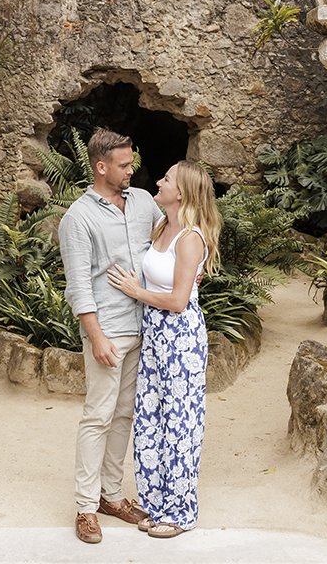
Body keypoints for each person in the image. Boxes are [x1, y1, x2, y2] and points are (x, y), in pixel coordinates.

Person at [57, 127, 163, 544]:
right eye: (123, 165)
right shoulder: (77, 218)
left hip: (145, 326)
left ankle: (112, 496)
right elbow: (79, 285)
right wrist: (96, 336)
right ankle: (85, 506)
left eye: (131, 161)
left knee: (124, 415)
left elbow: (168, 240)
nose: (131, 169)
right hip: (110, 332)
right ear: (101, 167)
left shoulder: (142, 203)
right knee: (98, 416)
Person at [106, 159, 221, 539]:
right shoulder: (162, 225)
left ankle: (181, 511)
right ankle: (157, 504)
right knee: (151, 420)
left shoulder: (190, 238)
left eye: (167, 178)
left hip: (180, 339)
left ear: (182, 192)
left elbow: (178, 301)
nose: (158, 180)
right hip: (154, 336)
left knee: (180, 423)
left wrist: (135, 291)